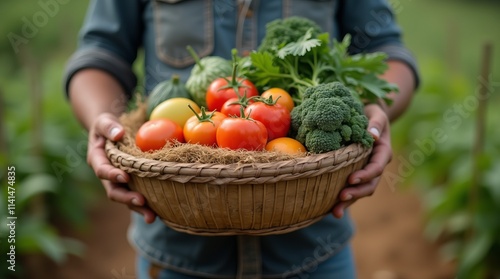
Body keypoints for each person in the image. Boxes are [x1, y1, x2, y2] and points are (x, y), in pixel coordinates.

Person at [63, 1, 419, 278]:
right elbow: (101, 51)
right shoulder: (221, 105)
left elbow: (387, 48)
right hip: (175, 250)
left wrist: (377, 111)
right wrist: (101, 118)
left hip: (315, 247)